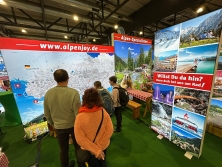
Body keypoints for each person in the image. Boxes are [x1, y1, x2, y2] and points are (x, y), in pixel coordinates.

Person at [44, 69, 83, 167]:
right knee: (78, 147)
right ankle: (81, 165)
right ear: (68, 78)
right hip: (74, 126)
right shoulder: (74, 93)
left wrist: (54, 124)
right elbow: (78, 113)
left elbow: (47, 114)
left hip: (58, 126)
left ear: (55, 79)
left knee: (63, 149)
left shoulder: (48, 93)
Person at [74, 88, 113, 167]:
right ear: (98, 98)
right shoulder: (103, 112)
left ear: (84, 99)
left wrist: (95, 149)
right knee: (102, 162)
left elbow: (80, 139)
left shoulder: (79, 117)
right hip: (102, 147)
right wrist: (99, 147)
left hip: (89, 150)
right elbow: (110, 130)